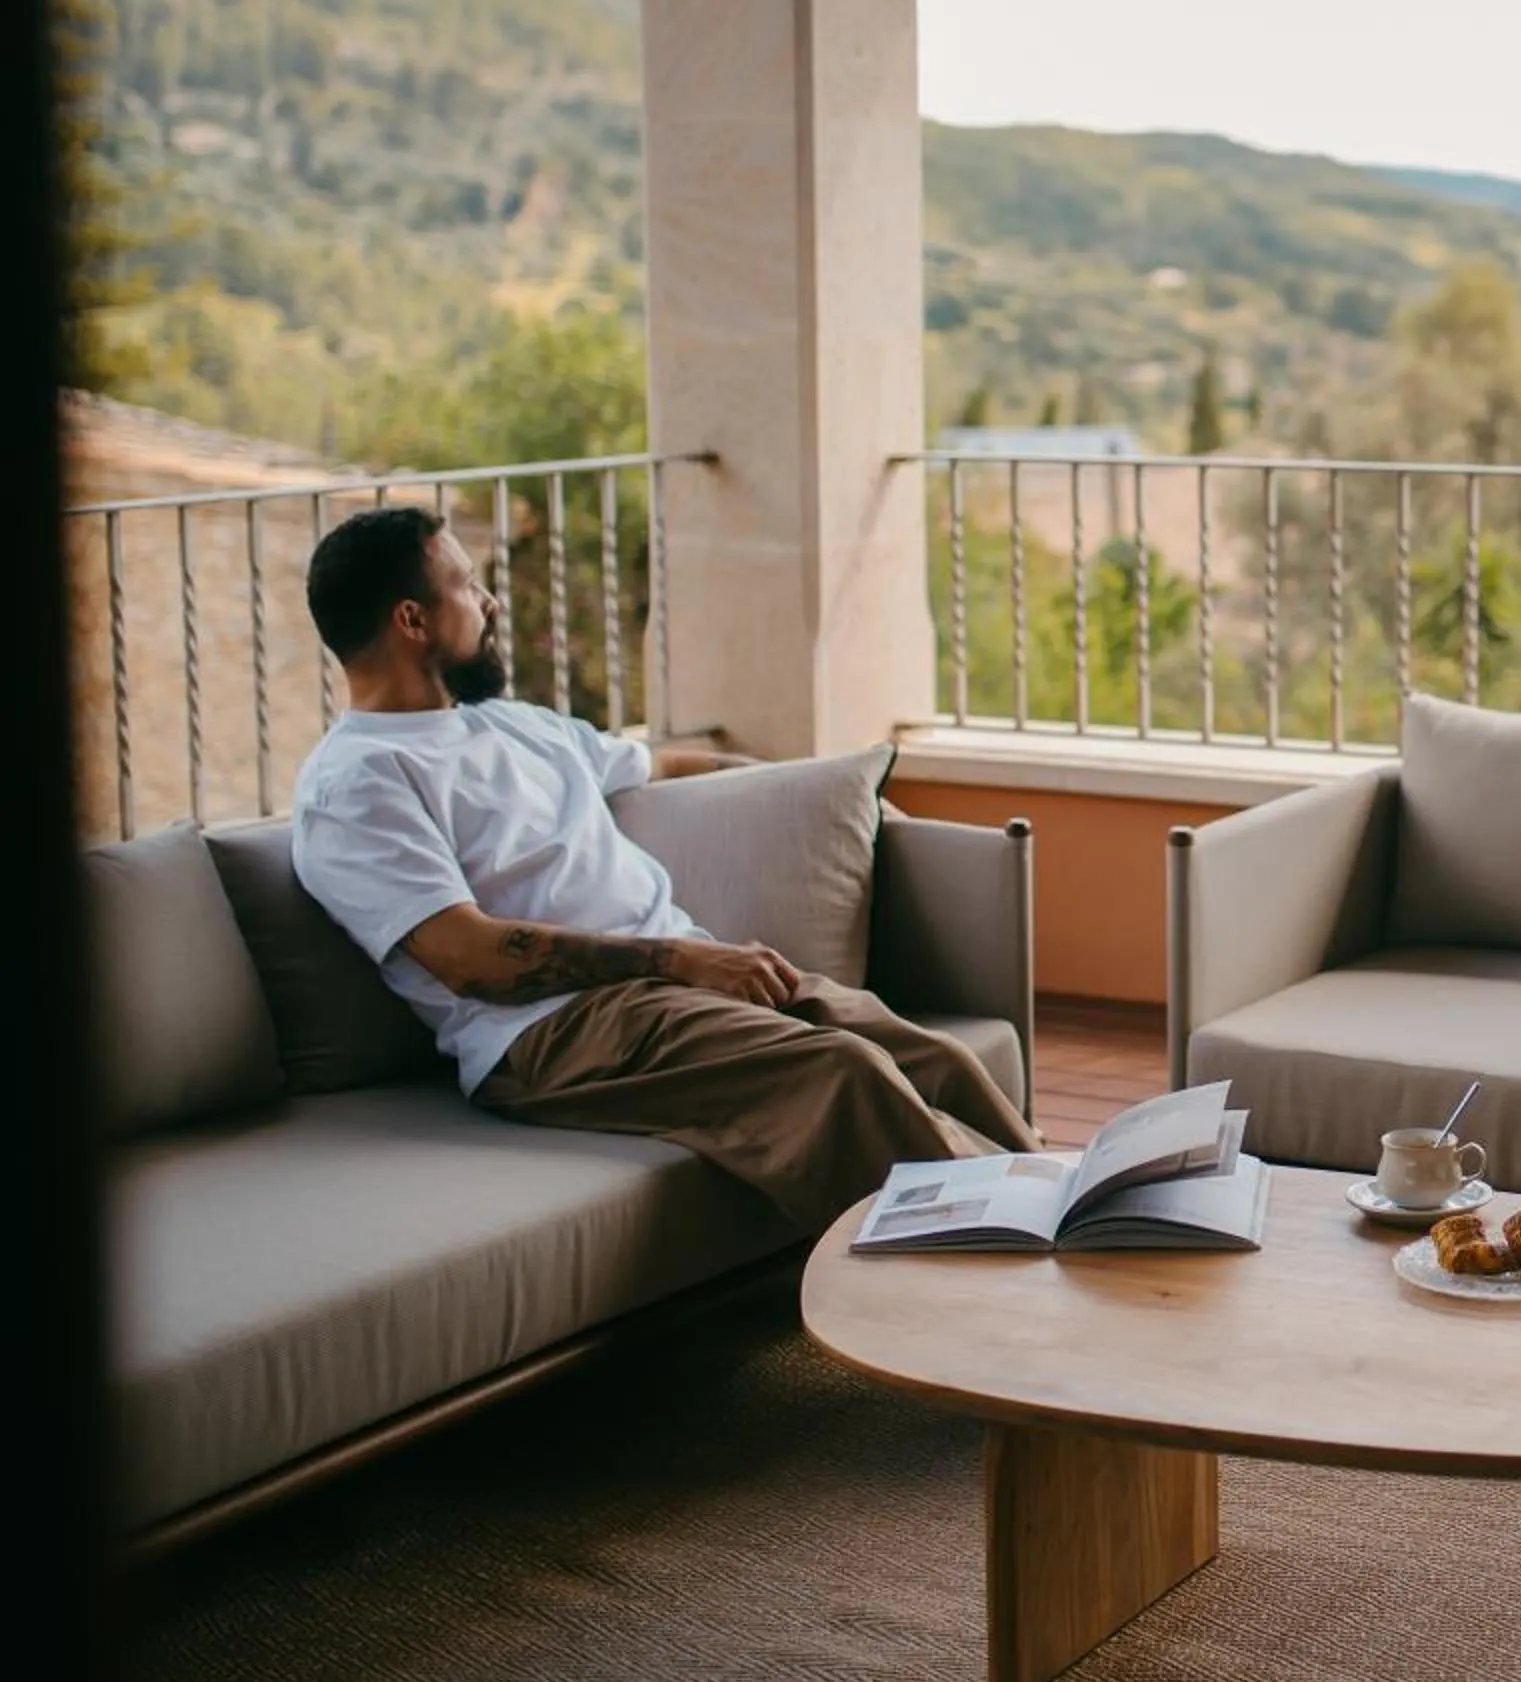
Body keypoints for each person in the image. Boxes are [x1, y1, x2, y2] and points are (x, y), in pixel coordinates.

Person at [288, 505, 1034, 1230]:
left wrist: (853, 797)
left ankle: (1085, 1226)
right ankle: (1012, 1295)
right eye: (466, 585)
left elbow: (667, 765)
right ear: (412, 620)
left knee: (932, 1060)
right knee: (845, 1075)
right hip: (555, 1032)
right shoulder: (359, 781)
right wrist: (680, 959)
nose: (488, 602)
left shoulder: (511, 724)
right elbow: (466, 957)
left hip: (668, 989)